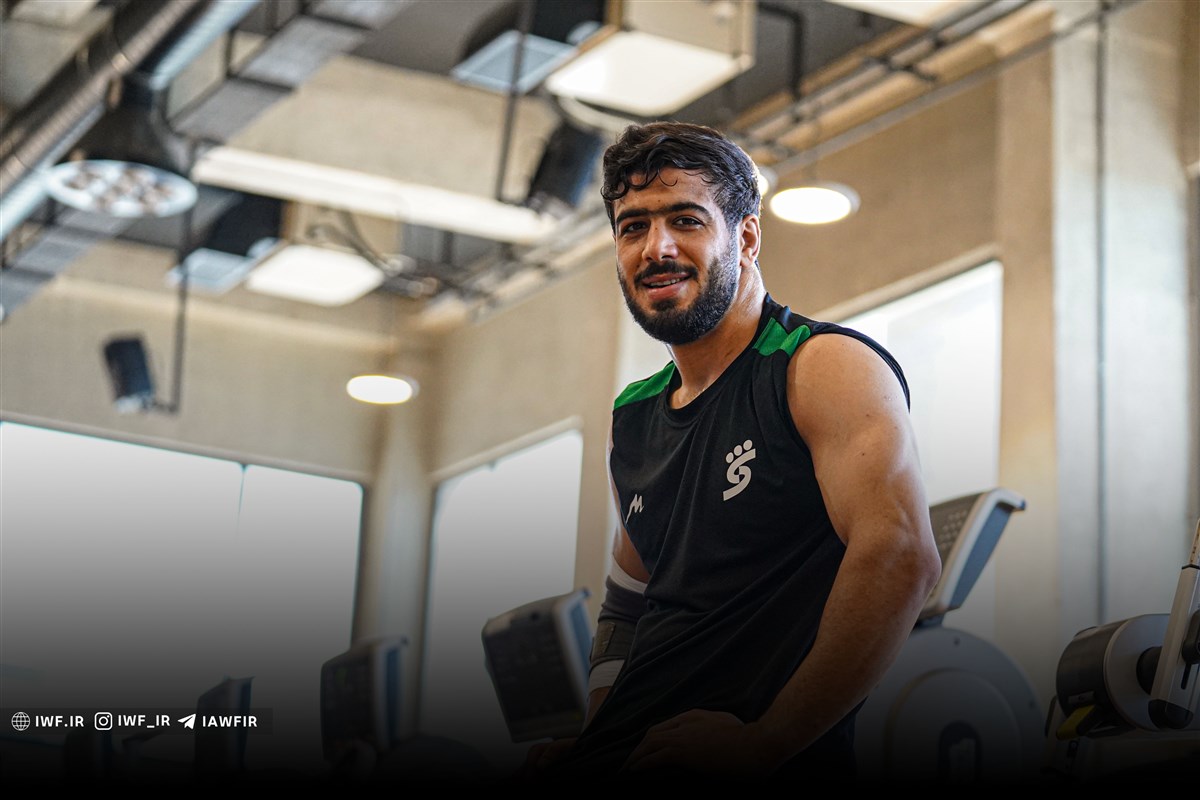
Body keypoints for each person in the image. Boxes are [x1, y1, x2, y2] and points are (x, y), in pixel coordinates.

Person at [524, 121, 941, 783]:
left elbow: (900, 557)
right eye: (633, 228)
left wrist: (767, 742)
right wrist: (595, 736)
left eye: (685, 220)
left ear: (746, 238)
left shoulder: (821, 366)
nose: (656, 248)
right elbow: (627, 604)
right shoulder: (633, 416)